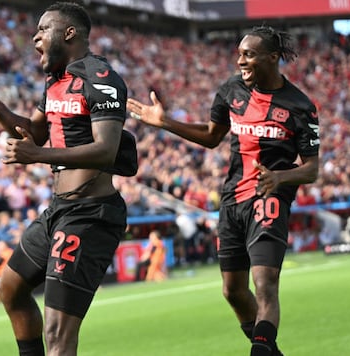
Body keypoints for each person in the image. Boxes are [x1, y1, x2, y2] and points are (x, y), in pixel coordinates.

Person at [127, 25, 320, 356]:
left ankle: (260, 350)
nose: (240, 61)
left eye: (249, 54)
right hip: (232, 200)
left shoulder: (299, 106)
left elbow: (312, 168)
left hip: (269, 199)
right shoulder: (231, 90)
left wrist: (280, 179)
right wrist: (166, 123)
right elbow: (212, 135)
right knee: (232, 291)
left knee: (265, 285)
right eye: (239, 54)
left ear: (272, 58)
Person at [0, 2, 137, 355]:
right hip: (59, 209)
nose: (35, 37)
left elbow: (106, 150)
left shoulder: (101, 79)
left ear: (68, 33)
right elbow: (34, 133)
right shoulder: (56, 81)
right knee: (9, 287)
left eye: (43, 30)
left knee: (58, 334)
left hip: (92, 215)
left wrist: (38, 156)